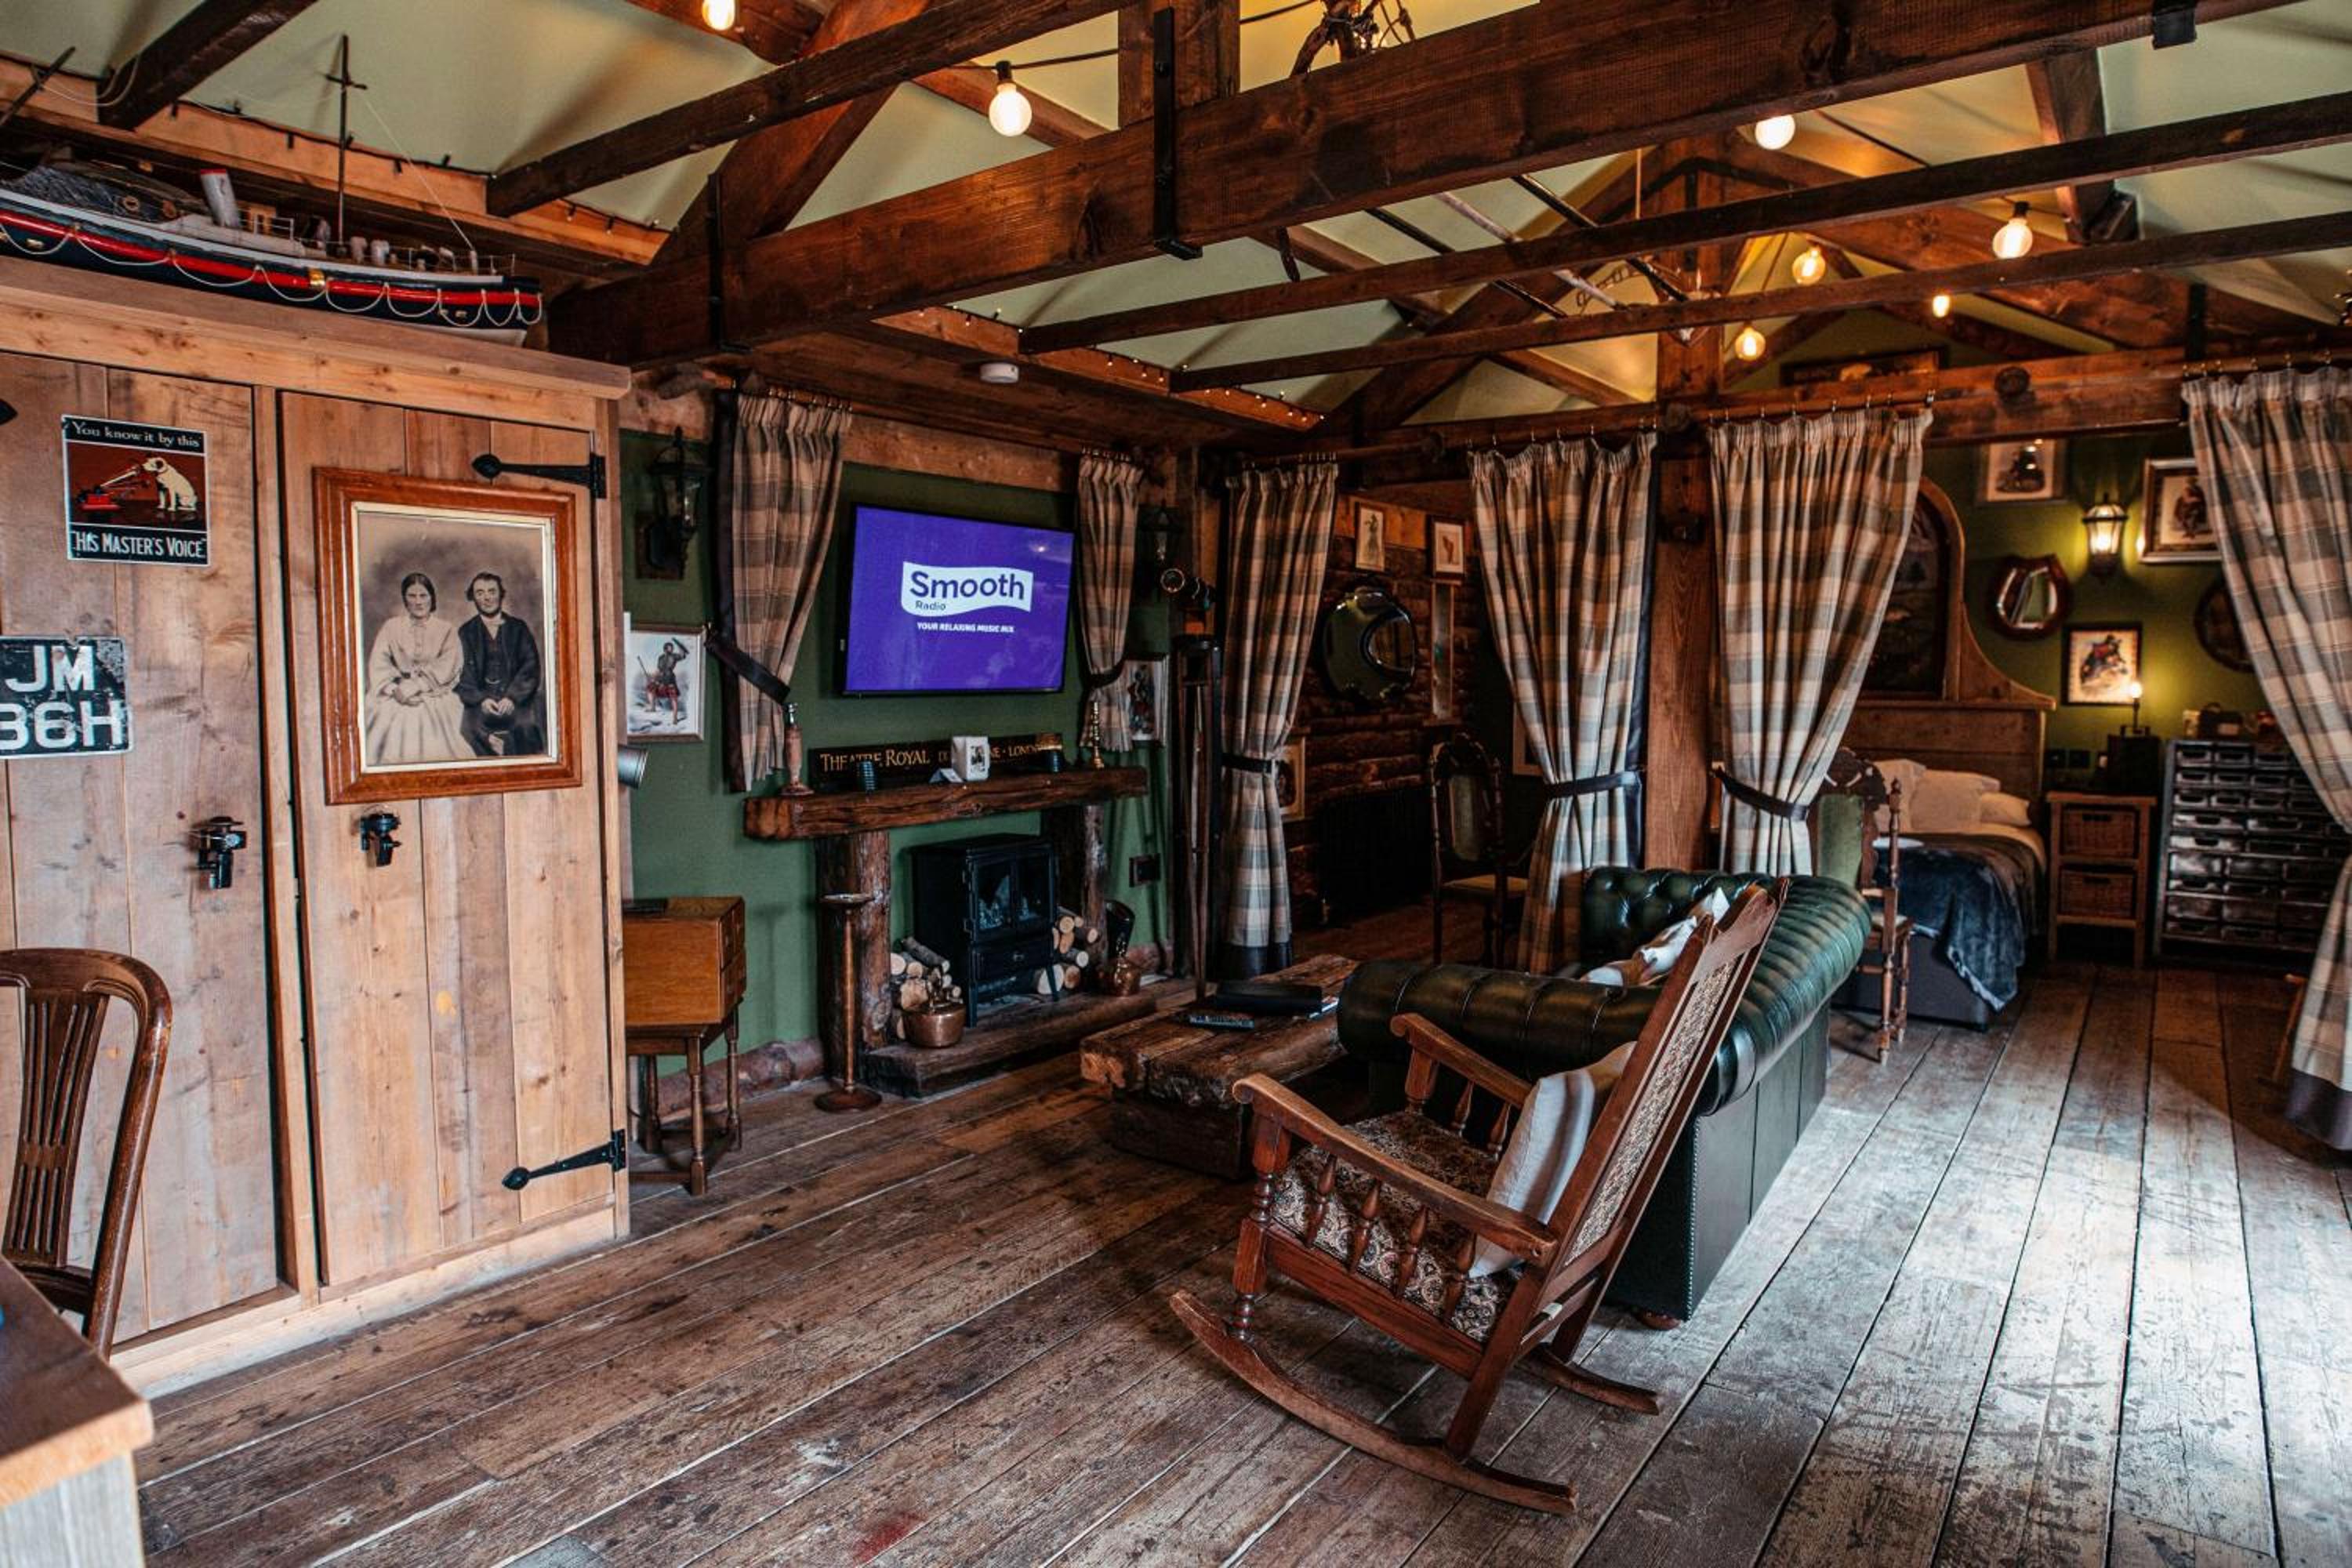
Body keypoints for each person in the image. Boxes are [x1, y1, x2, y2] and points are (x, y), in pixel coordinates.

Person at [365, 572, 470, 764]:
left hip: (433, 693)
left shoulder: (446, 629)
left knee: (432, 723)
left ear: (432, 598)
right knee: (380, 717)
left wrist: (417, 686)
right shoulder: (391, 627)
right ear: (405, 599)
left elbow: (449, 665)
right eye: (412, 596)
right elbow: (379, 662)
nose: (418, 602)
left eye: (423, 595)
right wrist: (395, 689)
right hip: (396, 692)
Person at [456, 571, 545, 757]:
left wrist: (512, 697)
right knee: (467, 729)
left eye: (492, 591)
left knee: (527, 727)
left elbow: (530, 666)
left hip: (515, 701)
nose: (487, 598)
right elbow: (461, 673)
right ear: (473, 597)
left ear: (501, 594)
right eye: (480, 593)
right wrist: (481, 700)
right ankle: (492, 754)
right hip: (482, 702)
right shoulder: (466, 632)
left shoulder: (518, 628)